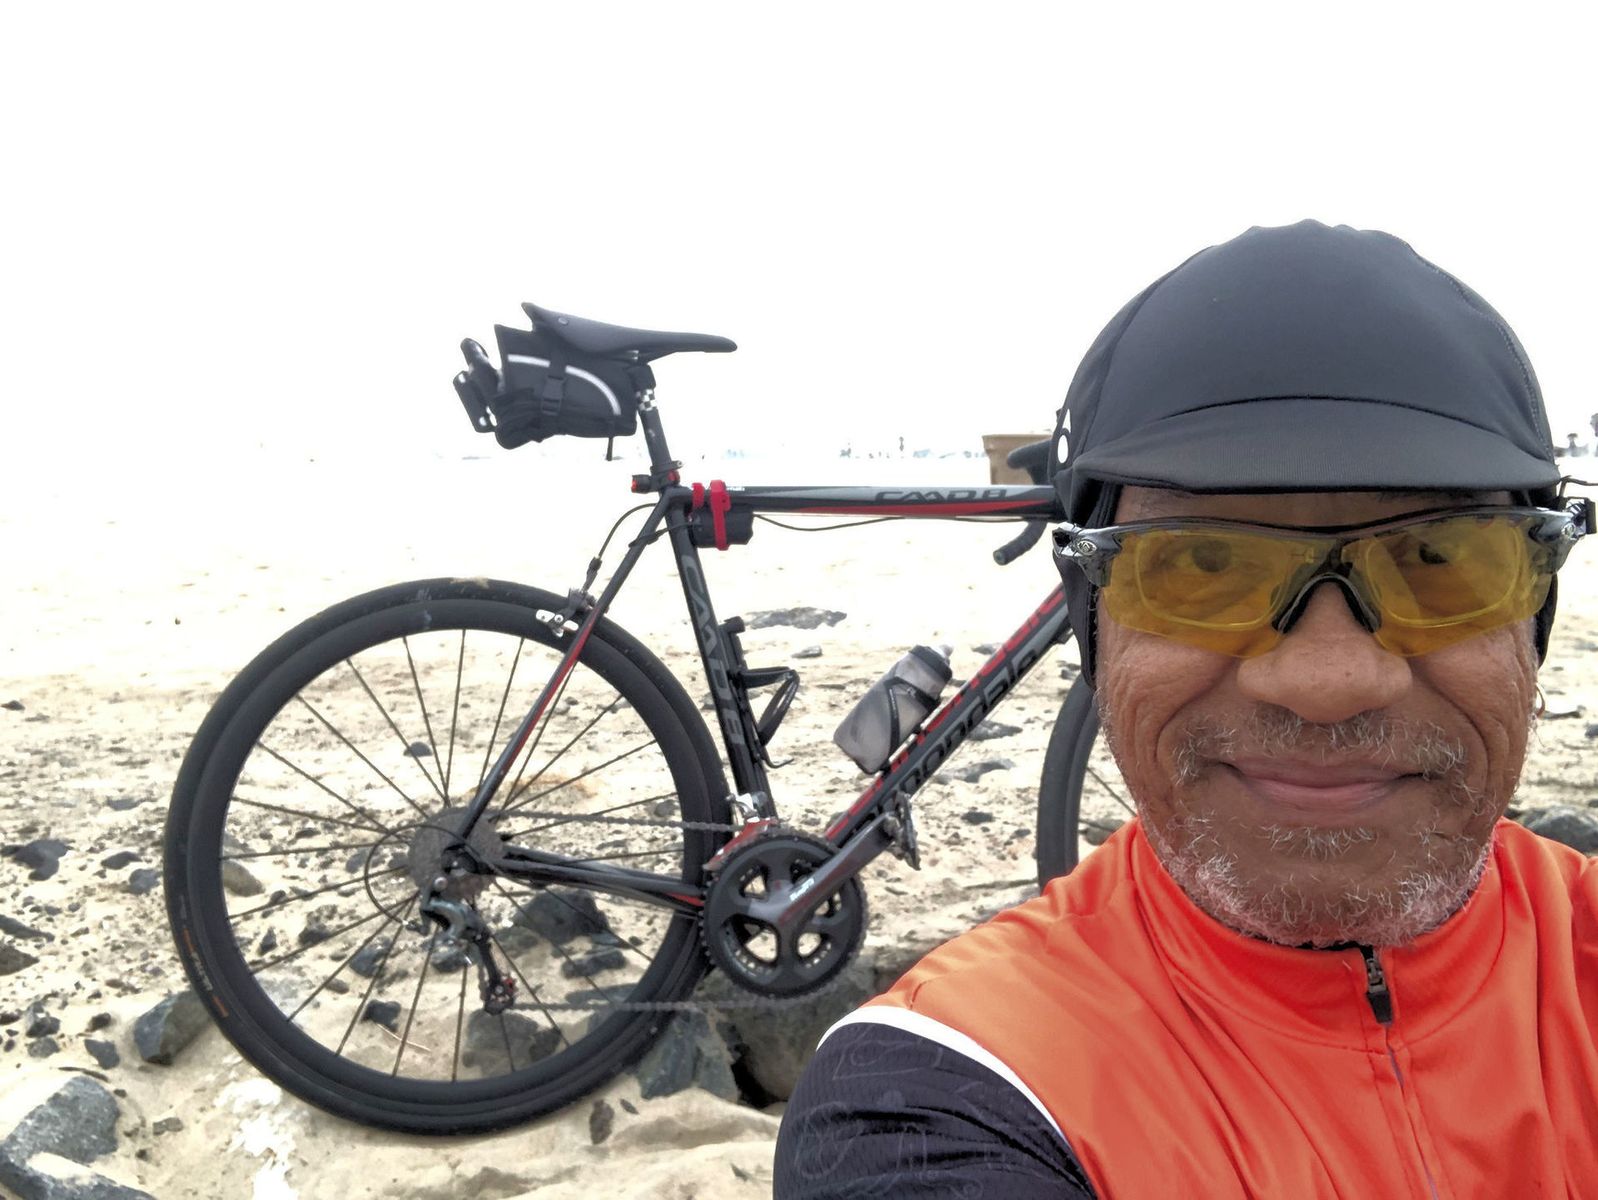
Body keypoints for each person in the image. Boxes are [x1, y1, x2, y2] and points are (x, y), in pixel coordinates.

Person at [773, 221, 1598, 1197]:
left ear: (1533, 615)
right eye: (1203, 564)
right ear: (1094, 621)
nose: (1326, 682)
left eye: (1439, 557)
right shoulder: (949, 1089)